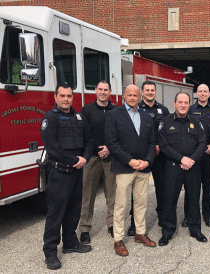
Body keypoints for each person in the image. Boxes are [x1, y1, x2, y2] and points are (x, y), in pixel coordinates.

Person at [41, 82, 93, 270]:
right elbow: (52, 148)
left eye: (69, 96)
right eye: (62, 96)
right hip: (59, 173)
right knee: (56, 213)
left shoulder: (79, 117)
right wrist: (74, 160)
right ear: (55, 97)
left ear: (73, 97)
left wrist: (85, 158)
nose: (65, 99)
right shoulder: (50, 118)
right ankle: (50, 252)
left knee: (73, 210)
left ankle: (70, 243)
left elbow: (89, 140)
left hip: (77, 172)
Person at [105, 85, 156, 257]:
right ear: (124, 96)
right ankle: (118, 239)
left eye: (135, 95)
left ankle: (140, 233)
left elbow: (151, 142)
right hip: (124, 167)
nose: (133, 97)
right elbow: (112, 142)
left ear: (139, 95)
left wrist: (147, 161)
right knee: (120, 204)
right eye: (130, 95)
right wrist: (129, 160)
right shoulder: (114, 115)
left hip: (142, 167)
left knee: (141, 202)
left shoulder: (146, 115)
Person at [158, 92, 207, 246]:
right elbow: (164, 145)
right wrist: (182, 159)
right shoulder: (165, 122)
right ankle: (167, 231)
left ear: (189, 104)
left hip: (193, 166)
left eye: (186, 102)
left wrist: (191, 159)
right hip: (173, 166)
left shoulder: (196, 121)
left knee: (193, 199)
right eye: (180, 102)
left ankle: (195, 229)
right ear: (175, 103)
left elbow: (202, 143)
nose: (183, 105)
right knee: (170, 200)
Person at [128, 80, 170, 236]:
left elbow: (167, 131)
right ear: (142, 92)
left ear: (155, 92)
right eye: (147, 90)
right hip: (142, 156)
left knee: (162, 188)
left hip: (159, 156)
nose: (150, 92)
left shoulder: (163, 110)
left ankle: (163, 218)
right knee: (138, 191)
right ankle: (134, 223)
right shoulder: (136, 109)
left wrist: (160, 145)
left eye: (153, 90)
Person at [79, 80, 116, 244]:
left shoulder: (116, 111)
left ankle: (112, 225)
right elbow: (84, 134)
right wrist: (99, 148)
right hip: (92, 158)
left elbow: (118, 133)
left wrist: (109, 147)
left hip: (111, 158)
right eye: (100, 89)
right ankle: (85, 229)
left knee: (112, 195)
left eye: (105, 89)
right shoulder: (86, 110)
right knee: (88, 195)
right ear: (95, 91)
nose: (103, 92)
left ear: (110, 92)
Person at [181, 84, 210, 228]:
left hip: (209, 154)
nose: (202, 94)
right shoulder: (189, 109)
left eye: (205, 91)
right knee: (191, 186)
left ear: (209, 94)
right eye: (200, 91)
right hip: (193, 155)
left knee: (208, 186)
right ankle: (189, 215)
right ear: (196, 94)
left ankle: (207, 214)